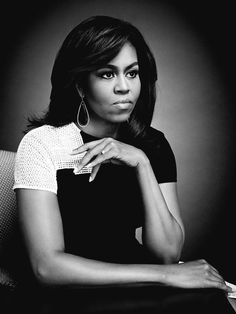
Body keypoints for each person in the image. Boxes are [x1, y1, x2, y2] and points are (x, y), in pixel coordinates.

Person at [13, 15, 234, 313]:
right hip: (72, 294)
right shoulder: (43, 143)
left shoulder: (152, 145)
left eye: (132, 73)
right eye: (107, 74)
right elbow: (46, 267)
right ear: (80, 84)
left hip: (141, 285)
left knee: (211, 303)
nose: (123, 87)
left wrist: (141, 163)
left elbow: (168, 252)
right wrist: (165, 277)